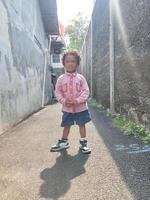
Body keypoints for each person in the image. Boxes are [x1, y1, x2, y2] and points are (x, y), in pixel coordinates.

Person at [50, 50, 91, 154]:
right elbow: (58, 92)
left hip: (81, 108)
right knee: (66, 124)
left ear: (77, 64)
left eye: (73, 61)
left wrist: (77, 101)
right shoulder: (61, 79)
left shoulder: (81, 78)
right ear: (64, 63)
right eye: (67, 61)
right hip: (67, 108)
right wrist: (63, 101)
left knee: (82, 124)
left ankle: (83, 143)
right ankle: (64, 142)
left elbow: (86, 91)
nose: (70, 63)